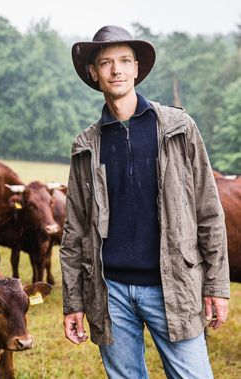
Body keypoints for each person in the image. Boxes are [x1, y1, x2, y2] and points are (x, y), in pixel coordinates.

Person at [60, 25, 230, 378]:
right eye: (106, 63)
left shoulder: (178, 128)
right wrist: (73, 302)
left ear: (137, 68)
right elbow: (73, 231)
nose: (116, 70)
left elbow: (209, 212)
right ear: (94, 73)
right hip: (111, 292)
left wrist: (216, 286)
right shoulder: (85, 146)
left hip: (173, 284)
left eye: (124, 61)